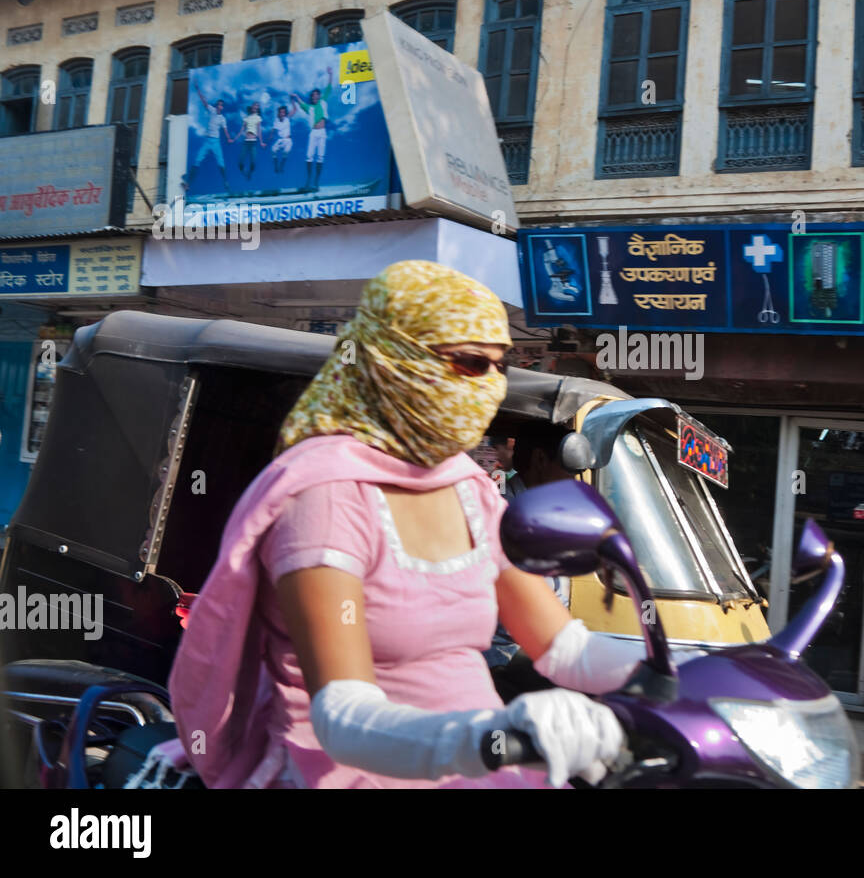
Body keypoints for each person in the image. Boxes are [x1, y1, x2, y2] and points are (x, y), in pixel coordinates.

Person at [167, 261, 661, 789]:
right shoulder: (326, 494)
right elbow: (344, 717)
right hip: (349, 773)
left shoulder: (468, 487)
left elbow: (565, 649)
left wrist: (706, 675)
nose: (490, 386)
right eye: (472, 363)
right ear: (393, 359)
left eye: (500, 367)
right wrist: (490, 736)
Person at [486, 424, 578, 701]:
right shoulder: (503, 511)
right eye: (569, 468)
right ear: (540, 459)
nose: (574, 479)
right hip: (501, 654)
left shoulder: (549, 512)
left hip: (535, 642)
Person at [290, 65, 332, 191]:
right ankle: (308, 181)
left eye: (316, 95)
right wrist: (295, 97)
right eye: (313, 95)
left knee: (320, 157)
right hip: (313, 133)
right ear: (311, 97)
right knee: (309, 157)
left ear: (319, 96)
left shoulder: (323, 102)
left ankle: (316, 182)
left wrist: (330, 74)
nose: (315, 96)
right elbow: (300, 102)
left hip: (322, 132)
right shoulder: (309, 107)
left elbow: (329, 88)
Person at [189, 91, 233, 194]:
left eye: (221, 105)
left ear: (222, 108)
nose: (219, 106)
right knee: (197, 160)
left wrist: (228, 138)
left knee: (221, 162)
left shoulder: (222, 119)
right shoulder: (212, 110)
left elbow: (225, 130)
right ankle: (188, 183)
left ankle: (225, 182)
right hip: (207, 141)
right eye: (218, 104)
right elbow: (204, 101)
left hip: (216, 142)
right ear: (216, 106)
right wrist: (198, 89)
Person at [237, 103, 266, 181]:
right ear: (251, 107)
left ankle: (249, 173)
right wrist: (234, 138)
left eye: (257, 106)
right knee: (240, 163)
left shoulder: (258, 118)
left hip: (253, 142)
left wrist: (261, 142)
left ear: (257, 109)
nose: (255, 107)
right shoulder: (247, 118)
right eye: (254, 105)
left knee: (253, 163)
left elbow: (259, 131)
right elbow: (241, 130)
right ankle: (245, 173)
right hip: (246, 142)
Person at [270, 103, 296, 174]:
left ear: (285, 113)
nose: (282, 114)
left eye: (283, 112)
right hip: (280, 140)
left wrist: (292, 101)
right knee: (273, 150)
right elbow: (273, 128)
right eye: (280, 112)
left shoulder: (287, 119)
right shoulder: (276, 120)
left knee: (286, 151)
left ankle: (281, 166)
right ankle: (276, 166)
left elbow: (295, 110)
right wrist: (271, 135)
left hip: (288, 140)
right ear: (279, 113)